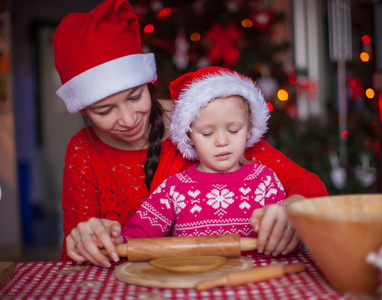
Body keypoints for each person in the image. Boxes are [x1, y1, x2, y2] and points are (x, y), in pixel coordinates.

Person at [53, 0, 328, 268]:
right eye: (104, 111)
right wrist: (86, 240)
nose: (127, 119)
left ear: (148, 83)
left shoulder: (203, 120)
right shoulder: (83, 150)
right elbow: (75, 260)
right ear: (85, 111)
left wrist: (292, 209)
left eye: (135, 96)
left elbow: (308, 185)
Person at [120, 67, 294, 256]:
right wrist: (113, 241)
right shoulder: (175, 189)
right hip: (194, 282)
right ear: (189, 136)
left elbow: (290, 237)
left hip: (254, 281)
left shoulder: (265, 181)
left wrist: (287, 234)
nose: (222, 141)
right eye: (207, 133)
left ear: (249, 129)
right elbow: (136, 237)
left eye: (234, 130)